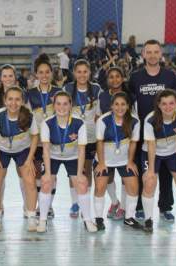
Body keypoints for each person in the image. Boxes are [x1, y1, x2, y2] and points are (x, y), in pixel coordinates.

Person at [129, 39, 176, 221]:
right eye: (148, 52)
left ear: (161, 54)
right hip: (143, 134)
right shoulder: (135, 77)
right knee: (145, 172)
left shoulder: (170, 76)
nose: (152, 55)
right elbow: (130, 105)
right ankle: (140, 205)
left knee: (167, 171)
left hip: (167, 135)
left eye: (155, 52)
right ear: (143, 54)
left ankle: (165, 207)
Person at [39, 91, 97, 232]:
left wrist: (79, 174)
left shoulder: (79, 123)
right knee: (46, 182)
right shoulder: (47, 123)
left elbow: (82, 150)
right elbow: (46, 149)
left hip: (73, 157)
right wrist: (47, 173)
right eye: (58, 103)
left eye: (65, 103)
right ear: (53, 106)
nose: (62, 107)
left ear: (71, 105)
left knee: (82, 183)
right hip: (53, 156)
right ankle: (42, 220)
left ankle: (87, 220)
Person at [141, 89, 176, 234]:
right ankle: (148, 220)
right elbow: (151, 145)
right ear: (158, 105)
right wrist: (151, 170)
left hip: (173, 153)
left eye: (171, 103)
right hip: (152, 153)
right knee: (150, 182)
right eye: (164, 104)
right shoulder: (150, 120)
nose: (168, 107)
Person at [0, 86, 39, 232]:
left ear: (22, 101)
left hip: (23, 151)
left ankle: (31, 216)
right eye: (10, 99)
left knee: (30, 180)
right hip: (1, 151)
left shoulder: (29, 116)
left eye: (17, 99)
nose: (13, 103)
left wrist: (29, 159)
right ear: (5, 100)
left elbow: (35, 136)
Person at [94, 92, 142, 230]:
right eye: (116, 104)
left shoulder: (134, 121)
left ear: (128, 106)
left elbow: (133, 143)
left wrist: (130, 161)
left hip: (124, 160)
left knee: (133, 187)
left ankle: (129, 218)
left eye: (123, 104)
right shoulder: (103, 120)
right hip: (105, 160)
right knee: (100, 187)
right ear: (111, 106)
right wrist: (102, 163)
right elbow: (99, 142)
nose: (119, 107)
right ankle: (98, 219)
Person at [64, 59, 101, 218]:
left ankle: (85, 201)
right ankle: (75, 203)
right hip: (74, 137)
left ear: (89, 73)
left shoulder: (96, 89)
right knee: (74, 172)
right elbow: (63, 110)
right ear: (74, 73)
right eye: (79, 72)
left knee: (87, 171)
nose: (82, 75)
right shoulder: (68, 88)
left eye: (85, 71)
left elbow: (99, 114)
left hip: (91, 137)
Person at [26, 54, 62, 218]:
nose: (44, 75)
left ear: (52, 73)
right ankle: (40, 205)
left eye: (47, 72)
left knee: (52, 174)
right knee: (39, 175)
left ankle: (49, 206)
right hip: (37, 141)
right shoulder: (30, 93)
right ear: (36, 74)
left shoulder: (59, 92)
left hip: (54, 141)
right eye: (41, 72)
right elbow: (26, 117)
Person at [96, 67, 130, 220]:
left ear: (122, 78)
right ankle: (115, 202)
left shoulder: (130, 97)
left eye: (118, 76)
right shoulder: (102, 96)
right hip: (107, 145)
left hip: (124, 144)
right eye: (111, 77)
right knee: (108, 176)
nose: (114, 79)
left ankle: (123, 207)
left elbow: (133, 120)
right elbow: (97, 117)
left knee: (124, 177)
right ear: (107, 80)